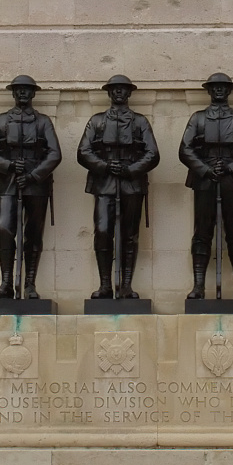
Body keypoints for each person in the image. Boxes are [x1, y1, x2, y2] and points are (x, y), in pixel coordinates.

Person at [0, 74, 61, 300]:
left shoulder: (43, 122)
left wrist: (34, 176)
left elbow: (54, 154)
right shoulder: (1, 121)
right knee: (4, 229)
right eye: (18, 90)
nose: (23, 93)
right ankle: (6, 282)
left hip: (36, 185)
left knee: (33, 234)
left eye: (27, 89)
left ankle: (30, 284)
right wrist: (10, 165)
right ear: (13, 93)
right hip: (8, 182)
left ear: (33, 93)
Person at [76, 76, 159, 300]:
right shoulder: (97, 121)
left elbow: (152, 154)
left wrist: (131, 170)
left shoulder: (140, 122)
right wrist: (104, 166)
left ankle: (126, 286)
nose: (119, 93)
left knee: (129, 236)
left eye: (123, 89)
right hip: (104, 184)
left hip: (131, 184)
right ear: (109, 93)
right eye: (115, 90)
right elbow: (83, 151)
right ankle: (105, 285)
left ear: (129, 93)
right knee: (103, 232)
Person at [180, 72, 233, 300]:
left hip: (232, 180)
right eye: (215, 87)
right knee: (202, 233)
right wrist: (205, 169)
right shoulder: (198, 118)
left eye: (223, 87)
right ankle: (198, 287)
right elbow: (185, 149)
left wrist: (231, 167)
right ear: (209, 90)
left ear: (229, 90)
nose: (219, 91)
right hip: (205, 180)